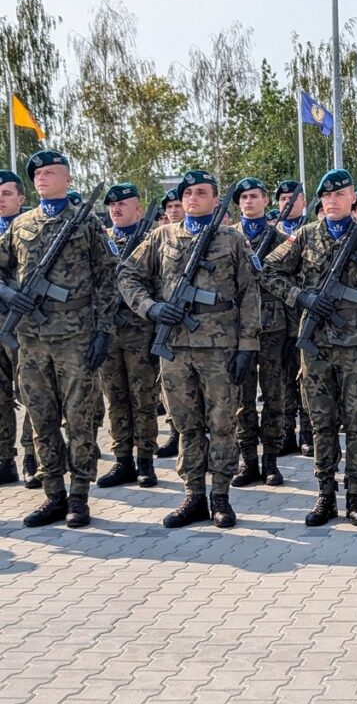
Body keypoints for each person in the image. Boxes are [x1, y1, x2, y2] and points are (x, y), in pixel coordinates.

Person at [118, 170, 260, 529]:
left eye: (201, 193)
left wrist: (247, 346)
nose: (193, 198)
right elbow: (127, 275)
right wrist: (151, 307)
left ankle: (221, 497)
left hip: (220, 347)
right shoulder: (162, 236)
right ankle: (194, 495)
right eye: (187, 193)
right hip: (176, 347)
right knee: (187, 425)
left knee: (223, 425)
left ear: (215, 200)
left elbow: (249, 295)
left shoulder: (232, 239)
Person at [260, 169, 357, 527]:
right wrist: (301, 296)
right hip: (317, 349)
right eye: (326, 197)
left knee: (356, 424)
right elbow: (267, 272)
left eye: (339, 195)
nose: (332, 201)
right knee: (322, 424)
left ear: (353, 199)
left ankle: (355, 497)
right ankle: (325, 495)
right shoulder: (304, 237)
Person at [0, 150, 119, 528]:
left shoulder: (85, 225)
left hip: (76, 336)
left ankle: (79, 496)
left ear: (67, 180)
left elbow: (107, 280)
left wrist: (103, 331)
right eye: (37, 173)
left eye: (50, 173)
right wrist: (7, 294)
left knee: (80, 419)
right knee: (41, 418)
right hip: (32, 340)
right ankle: (53, 492)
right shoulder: (20, 226)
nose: (41, 178)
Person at [97, 183, 160, 489]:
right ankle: (123, 459)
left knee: (143, 396)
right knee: (115, 396)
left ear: (138, 207)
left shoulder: (152, 240)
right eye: (112, 205)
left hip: (140, 329)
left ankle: (146, 461)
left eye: (123, 204)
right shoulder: (101, 241)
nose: (116, 209)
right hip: (109, 330)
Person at [230, 178, 290, 488]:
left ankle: (271, 461)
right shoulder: (227, 238)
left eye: (254, 196)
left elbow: (293, 284)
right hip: (238, 329)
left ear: (266, 201)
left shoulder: (282, 239)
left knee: (273, 396)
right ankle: (247, 460)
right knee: (242, 398)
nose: (248, 201)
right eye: (243, 197)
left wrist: (293, 334)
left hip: (272, 327)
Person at [274, 179, 309, 456]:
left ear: (303, 202)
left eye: (292, 197)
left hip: (309, 319)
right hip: (278, 321)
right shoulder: (271, 234)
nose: (287, 202)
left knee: (306, 379)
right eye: (283, 198)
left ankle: (307, 433)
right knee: (284, 380)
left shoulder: (311, 233)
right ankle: (287, 431)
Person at [0, 170, 26, 485]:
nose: (0, 199)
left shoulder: (30, 230)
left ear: (21, 197)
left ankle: (34, 457)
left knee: (29, 392)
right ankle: (5, 459)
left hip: (22, 324)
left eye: (7, 193)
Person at [155, 187, 185, 460]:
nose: (174, 210)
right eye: (171, 207)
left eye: (178, 205)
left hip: (209, 337)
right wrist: (152, 307)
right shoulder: (160, 238)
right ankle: (175, 433)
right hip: (167, 329)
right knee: (169, 390)